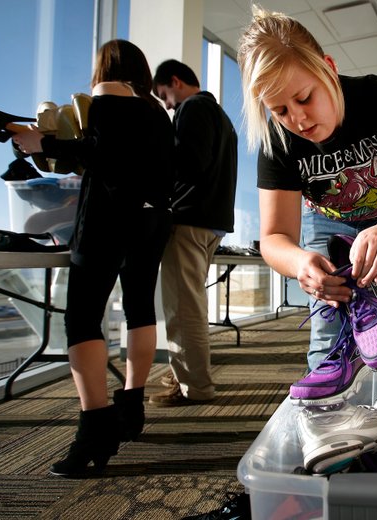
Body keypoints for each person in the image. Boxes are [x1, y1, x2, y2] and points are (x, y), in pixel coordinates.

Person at [237, 6, 377, 377]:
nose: (299, 120)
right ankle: (329, 426)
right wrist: (299, 263)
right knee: (329, 337)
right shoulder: (277, 139)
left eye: (305, 98)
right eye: (280, 110)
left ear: (328, 67)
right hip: (325, 220)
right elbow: (274, 238)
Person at [13, 39, 174, 476]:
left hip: (109, 217)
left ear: (106, 67)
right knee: (140, 307)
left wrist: (40, 141)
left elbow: (102, 157)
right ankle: (131, 405)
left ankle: (95, 429)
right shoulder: (158, 111)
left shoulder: (105, 95)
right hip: (154, 217)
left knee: (81, 317)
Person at [148, 59, 238, 406]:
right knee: (191, 304)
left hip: (189, 220)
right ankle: (184, 375)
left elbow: (188, 164)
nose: (167, 104)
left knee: (184, 309)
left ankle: (194, 388)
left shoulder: (192, 108)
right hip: (212, 221)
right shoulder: (220, 116)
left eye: (164, 95)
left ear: (175, 81)